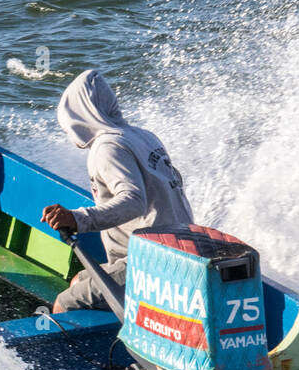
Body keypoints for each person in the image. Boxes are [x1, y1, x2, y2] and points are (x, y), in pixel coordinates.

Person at [40, 70, 195, 313]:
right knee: (78, 281)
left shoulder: (107, 146)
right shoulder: (143, 136)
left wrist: (77, 219)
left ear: (78, 114)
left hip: (153, 261)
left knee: (64, 303)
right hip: (182, 248)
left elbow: (134, 201)